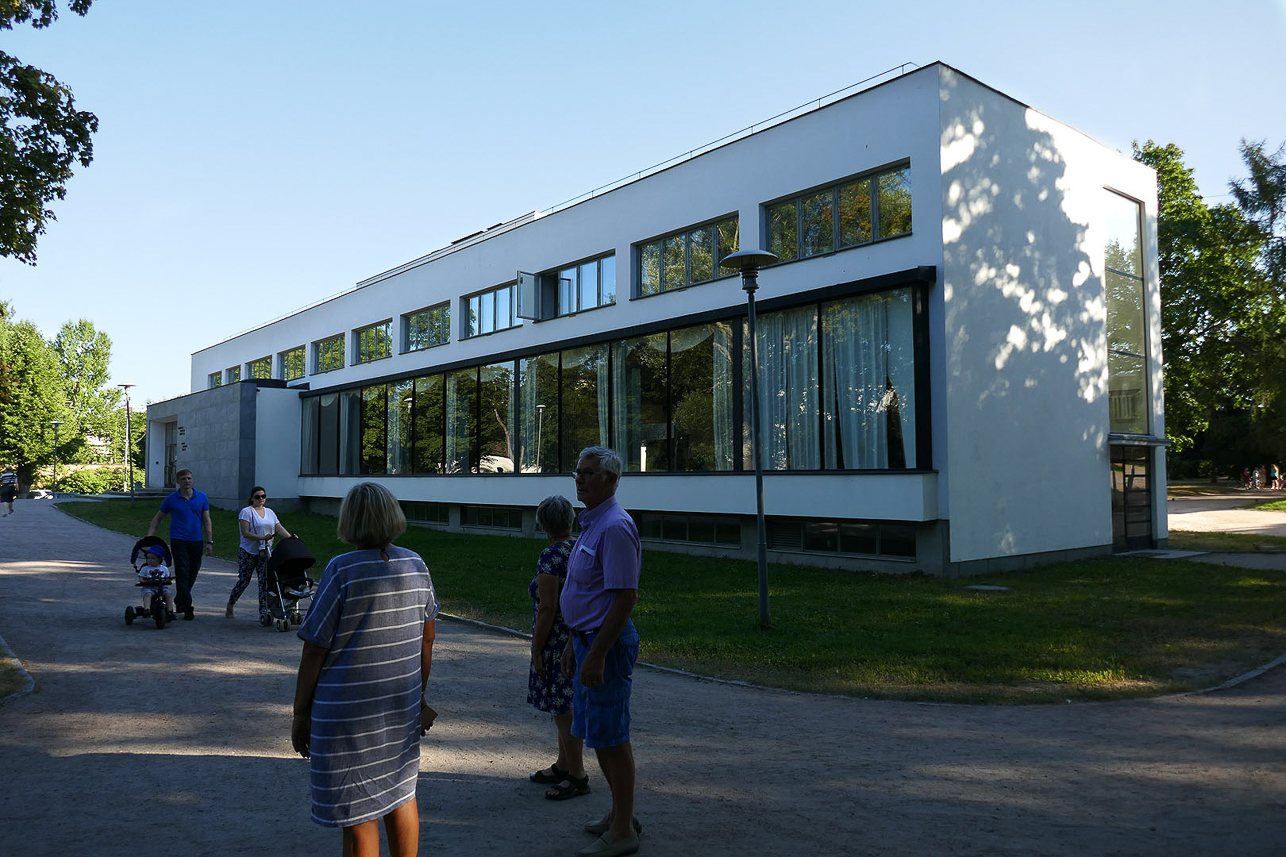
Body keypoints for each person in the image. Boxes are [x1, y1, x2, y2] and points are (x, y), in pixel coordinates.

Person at [291, 482, 440, 857]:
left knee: (358, 813)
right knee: (401, 794)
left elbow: (314, 648)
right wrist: (418, 695)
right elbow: (427, 638)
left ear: (349, 520)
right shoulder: (415, 563)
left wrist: (299, 712)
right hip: (398, 707)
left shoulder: (342, 570)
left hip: (348, 717)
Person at [560, 447, 642, 857]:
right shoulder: (592, 523)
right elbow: (588, 593)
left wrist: (595, 654)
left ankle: (624, 831)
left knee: (612, 740)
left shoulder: (614, 527)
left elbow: (625, 598)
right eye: (578, 472)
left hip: (604, 646)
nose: (580, 479)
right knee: (601, 736)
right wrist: (576, 645)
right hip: (587, 641)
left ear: (611, 480)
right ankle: (619, 814)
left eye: (589, 474)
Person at [527, 495, 587, 800]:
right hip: (574, 636)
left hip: (556, 641)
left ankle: (577, 773)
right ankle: (564, 764)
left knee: (564, 710)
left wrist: (537, 649)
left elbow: (548, 606)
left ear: (543, 523)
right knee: (561, 706)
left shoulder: (550, 555)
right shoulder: (577, 547)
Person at [146, 469, 212, 621]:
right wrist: (149, 538)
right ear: (178, 481)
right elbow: (157, 519)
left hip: (196, 540)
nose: (187, 481)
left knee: (193, 572)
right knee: (182, 571)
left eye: (189, 478)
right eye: (183, 479)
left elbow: (207, 520)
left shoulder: (201, 497)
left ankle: (179, 600)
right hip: (178, 539)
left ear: (192, 479)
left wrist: (209, 541)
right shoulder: (171, 499)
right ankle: (188, 607)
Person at [226, 486, 293, 620]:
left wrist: (291, 538)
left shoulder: (270, 512)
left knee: (264, 581)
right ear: (252, 498)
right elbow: (245, 533)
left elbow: (278, 528)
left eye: (263, 496)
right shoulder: (246, 512)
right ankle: (231, 603)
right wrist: (262, 538)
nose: (261, 499)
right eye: (257, 497)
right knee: (244, 581)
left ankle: (264, 611)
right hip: (248, 552)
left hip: (265, 552)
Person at [137, 544, 177, 618]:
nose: (150, 560)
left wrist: (169, 580)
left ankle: (170, 611)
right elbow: (141, 578)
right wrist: (144, 581)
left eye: (153, 558)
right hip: (149, 587)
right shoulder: (145, 568)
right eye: (148, 558)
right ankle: (147, 609)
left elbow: (167, 578)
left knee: (168, 595)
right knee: (148, 594)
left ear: (159, 559)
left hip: (162, 587)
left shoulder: (164, 569)